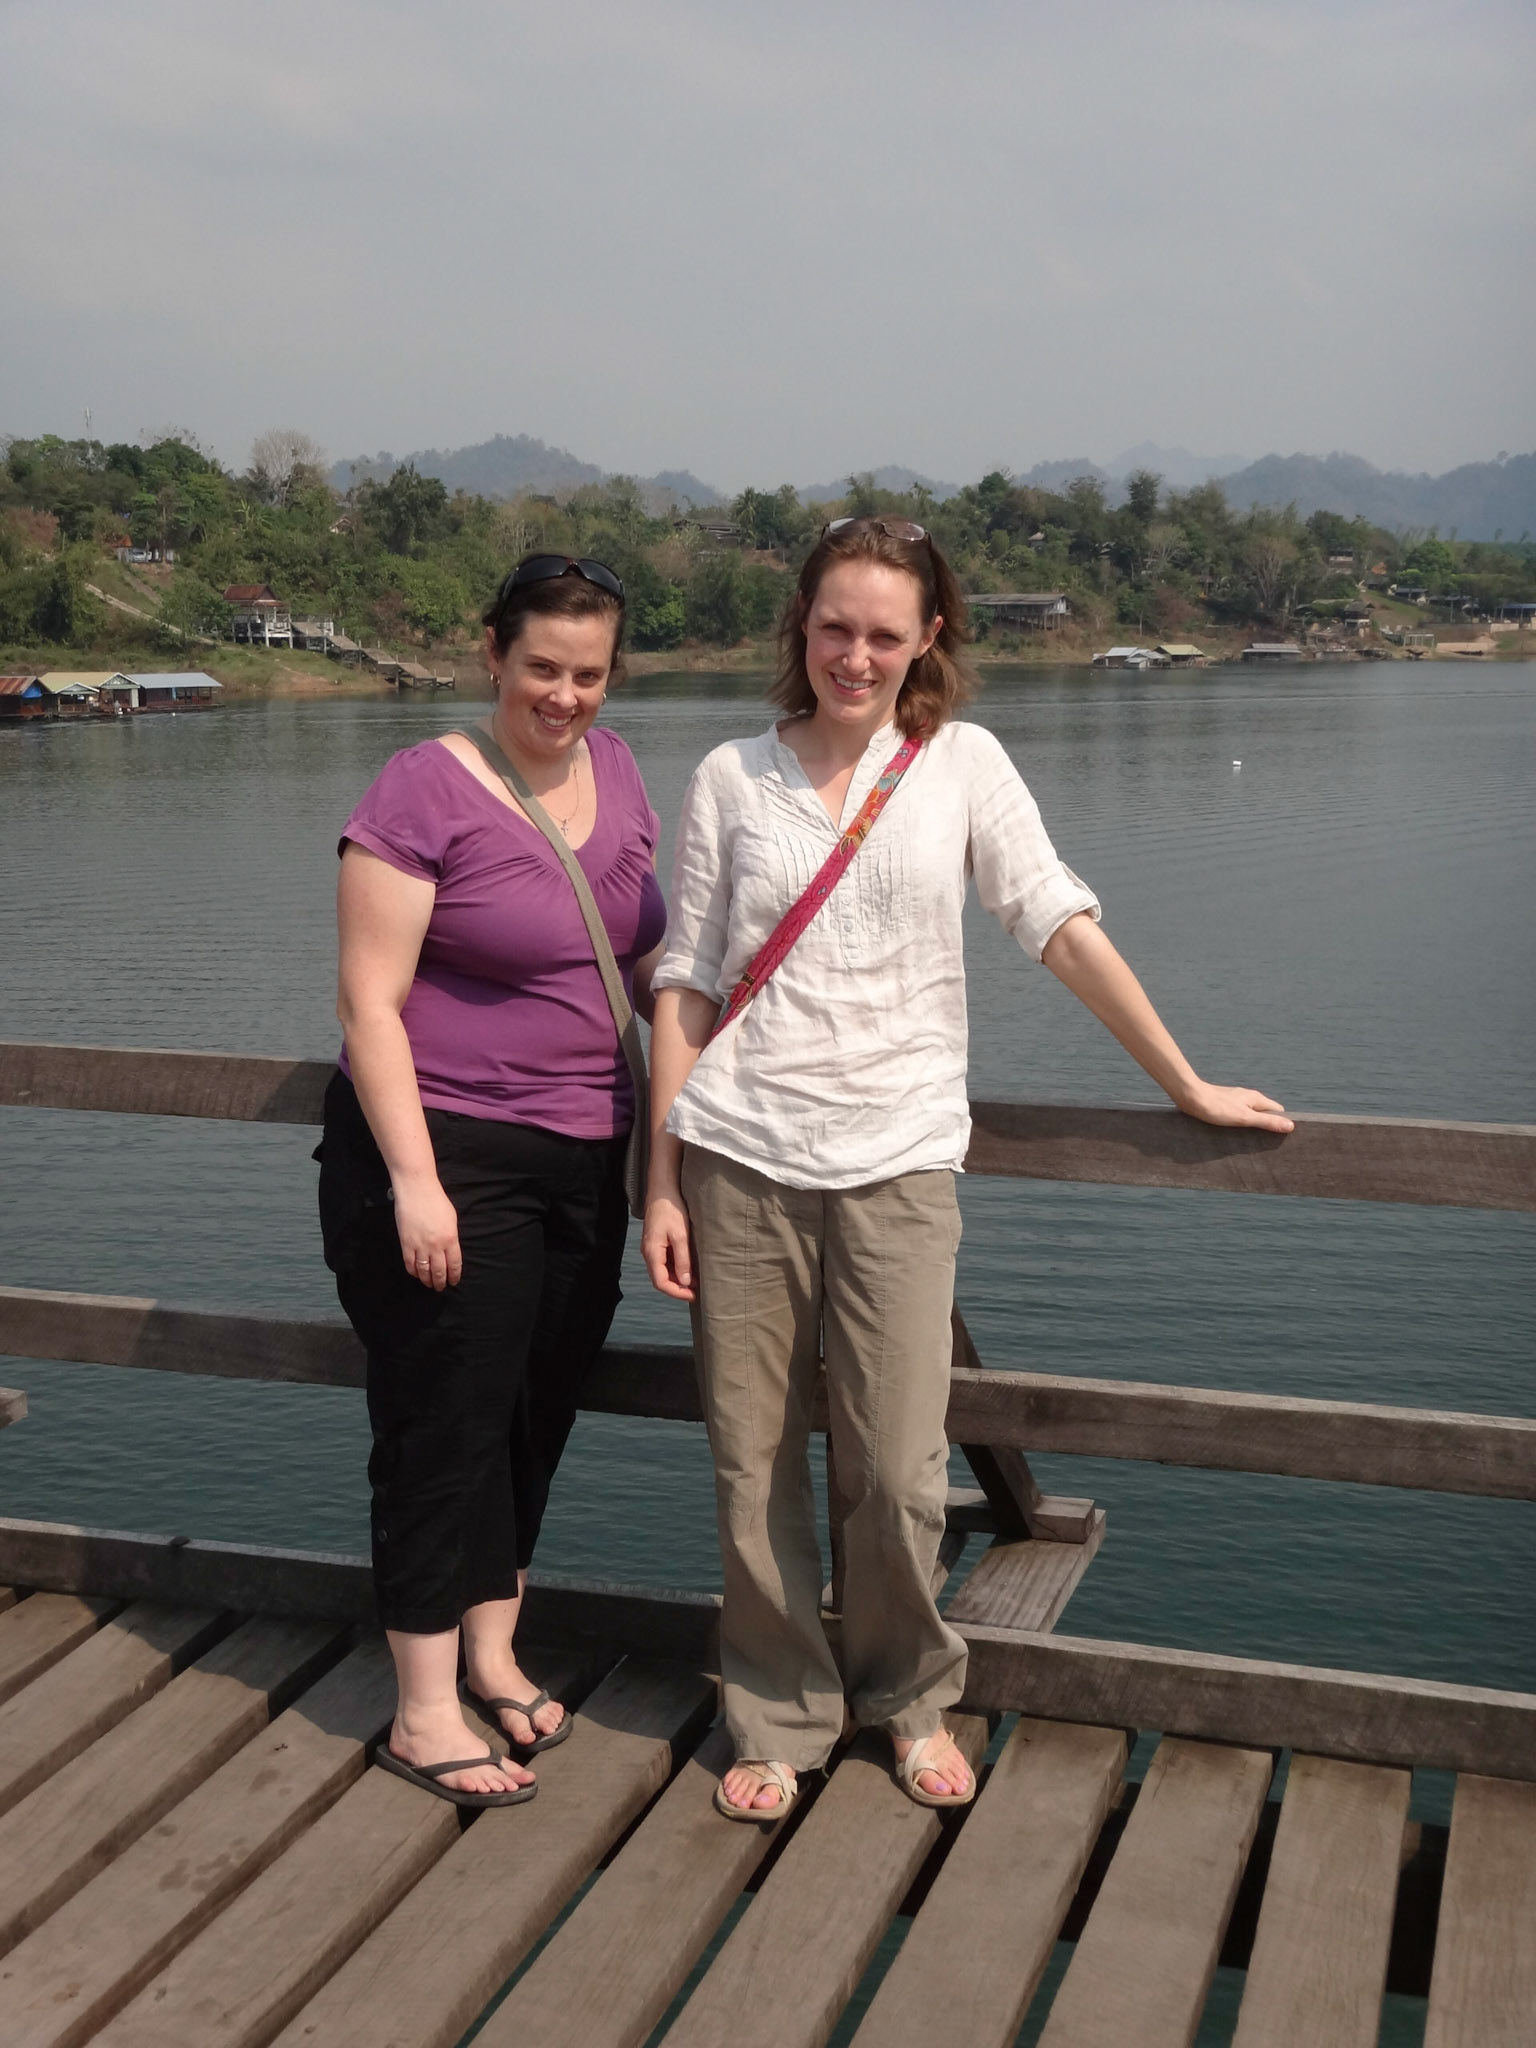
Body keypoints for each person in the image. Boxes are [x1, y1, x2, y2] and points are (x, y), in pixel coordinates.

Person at [642, 517, 1292, 1820]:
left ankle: (907, 1695)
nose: (856, 656)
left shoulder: (961, 764)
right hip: (739, 1159)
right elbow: (687, 982)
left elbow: (1055, 920)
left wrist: (1181, 1080)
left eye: (885, 634)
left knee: (895, 1467)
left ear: (928, 636)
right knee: (751, 1465)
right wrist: (659, 1180)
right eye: (835, 627)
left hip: (898, 1162)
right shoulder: (732, 776)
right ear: (801, 623)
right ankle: (776, 1710)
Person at [318, 554, 666, 1806]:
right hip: (446, 1152)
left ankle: (494, 1654)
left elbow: (643, 958)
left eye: (589, 672)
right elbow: (369, 1001)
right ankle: (422, 1708)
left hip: (586, 1154)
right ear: (493, 654)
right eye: (542, 667)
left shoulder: (620, 771)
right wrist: (415, 1180)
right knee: (444, 1419)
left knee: (533, 1408)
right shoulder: (424, 786)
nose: (564, 695)